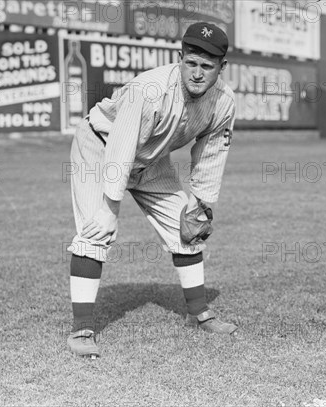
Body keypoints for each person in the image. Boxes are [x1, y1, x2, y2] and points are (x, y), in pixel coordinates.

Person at [66, 22, 237, 358]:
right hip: (101, 148)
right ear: (180, 58)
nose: (197, 74)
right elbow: (121, 146)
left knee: (185, 226)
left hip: (151, 157)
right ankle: (81, 330)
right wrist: (108, 207)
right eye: (191, 63)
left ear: (222, 68)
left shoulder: (224, 102)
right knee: (95, 230)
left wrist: (200, 203)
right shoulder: (149, 89)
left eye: (207, 66)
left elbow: (212, 152)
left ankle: (199, 314)